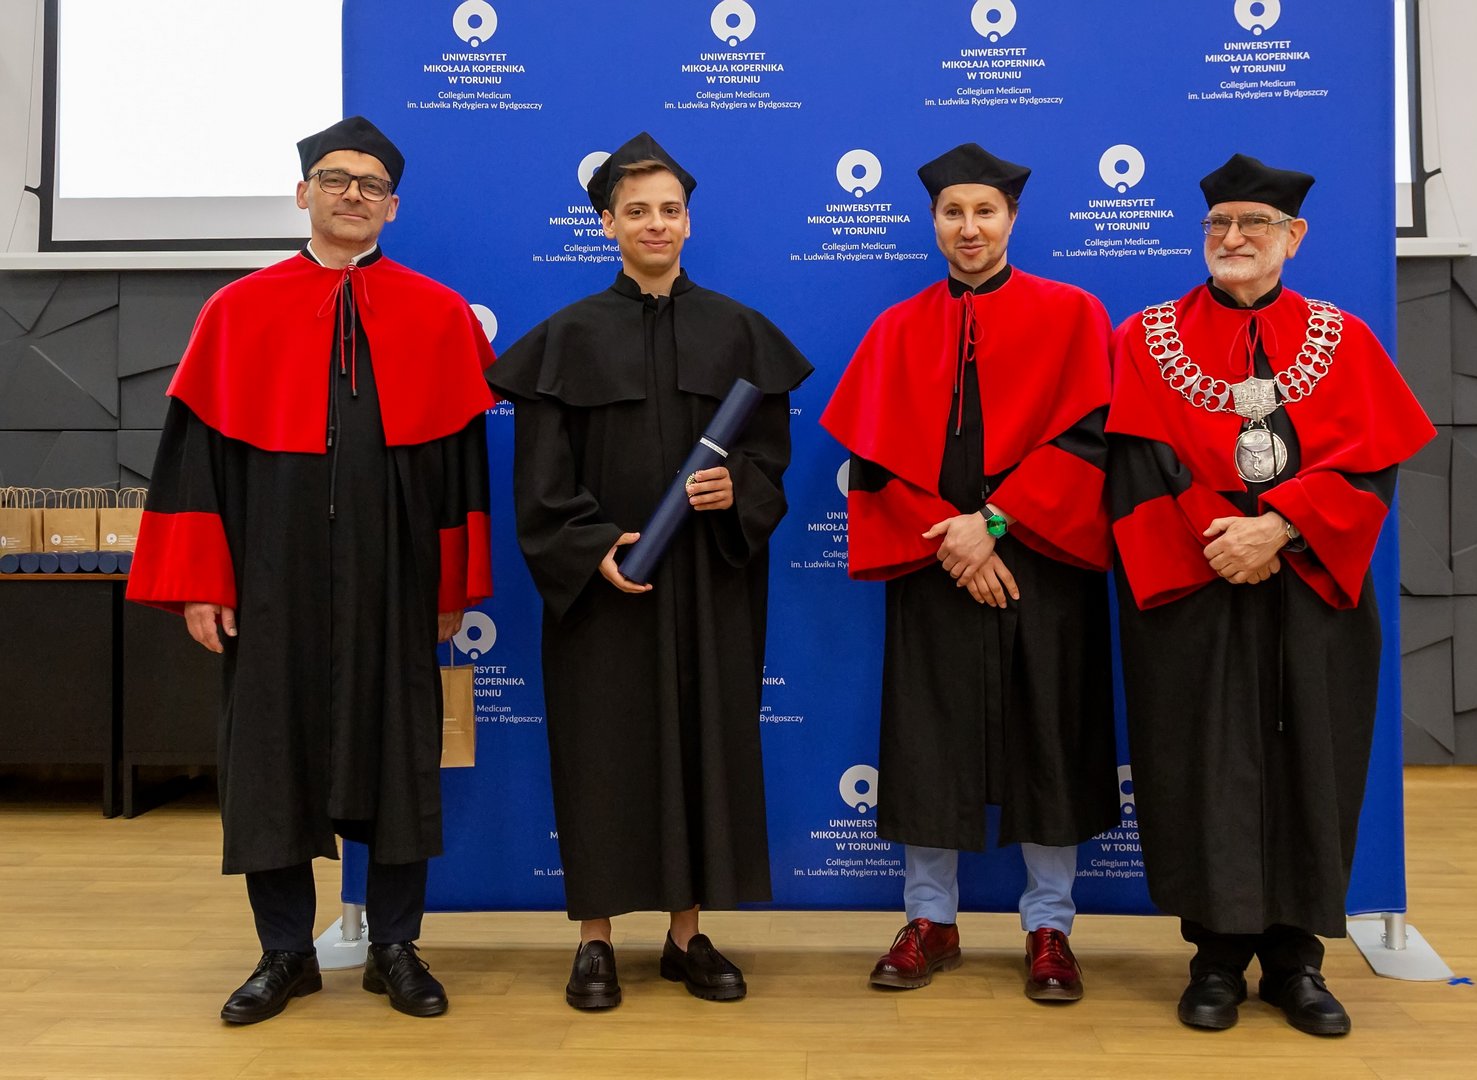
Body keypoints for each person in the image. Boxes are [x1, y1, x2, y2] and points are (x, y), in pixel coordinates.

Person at [127, 116, 496, 1024]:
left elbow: (461, 468)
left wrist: (452, 583)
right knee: (269, 756)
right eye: (335, 179)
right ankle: (285, 951)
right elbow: (195, 463)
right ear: (303, 193)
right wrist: (203, 579)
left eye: (371, 185)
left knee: (399, 752)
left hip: (396, 571)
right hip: (270, 571)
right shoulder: (236, 310)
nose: (352, 194)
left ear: (392, 207)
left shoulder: (437, 314)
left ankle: (395, 946)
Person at [1107, 153, 1435, 1036]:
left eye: (1254, 223)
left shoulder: (1344, 338)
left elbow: (1371, 466)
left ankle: (1298, 963)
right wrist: (1226, 544)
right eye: (1219, 223)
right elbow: (1139, 467)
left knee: (1311, 760)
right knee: (1201, 764)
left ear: (1294, 237)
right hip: (1194, 590)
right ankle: (1214, 958)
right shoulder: (1146, 338)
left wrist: (1281, 528)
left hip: (1313, 588)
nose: (1234, 237)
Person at [485, 131, 811, 1010]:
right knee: (601, 755)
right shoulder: (566, 337)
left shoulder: (738, 331)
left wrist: (736, 490)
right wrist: (591, 548)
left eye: (670, 209)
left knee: (704, 744)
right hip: (601, 593)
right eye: (636, 211)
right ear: (607, 225)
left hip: (710, 583)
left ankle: (686, 934)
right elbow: (540, 482)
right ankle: (594, 940)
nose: (655, 223)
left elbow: (771, 466)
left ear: (689, 222)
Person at [820, 143, 1117, 1003]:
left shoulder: (1073, 315)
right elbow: (874, 461)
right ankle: (931, 919)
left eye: (985, 211)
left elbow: (1093, 438)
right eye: (953, 212)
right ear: (933, 222)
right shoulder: (897, 329)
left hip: (1043, 560)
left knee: (1050, 731)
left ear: (1012, 218)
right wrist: (956, 543)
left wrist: (993, 525)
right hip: (933, 559)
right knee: (930, 736)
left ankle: (1050, 926)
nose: (969, 227)